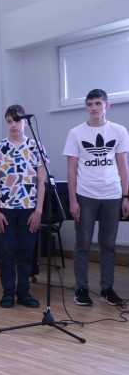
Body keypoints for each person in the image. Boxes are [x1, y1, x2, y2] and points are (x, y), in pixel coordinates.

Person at [64, 88, 129, 306]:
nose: (94, 108)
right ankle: (81, 289)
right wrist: (73, 200)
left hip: (113, 194)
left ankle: (106, 289)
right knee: (83, 244)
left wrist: (126, 196)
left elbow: (123, 166)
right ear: (86, 107)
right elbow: (71, 169)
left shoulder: (119, 131)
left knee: (108, 245)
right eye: (90, 104)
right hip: (85, 194)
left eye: (98, 103)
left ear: (107, 105)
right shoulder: (76, 133)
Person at [0, 104, 46, 308]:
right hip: (5, 209)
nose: (13, 124)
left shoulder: (36, 146)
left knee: (26, 251)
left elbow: (41, 181)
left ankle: (24, 292)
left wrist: (39, 210)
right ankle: (8, 292)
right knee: (6, 252)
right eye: (9, 121)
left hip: (29, 208)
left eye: (17, 120)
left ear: (26, 122)